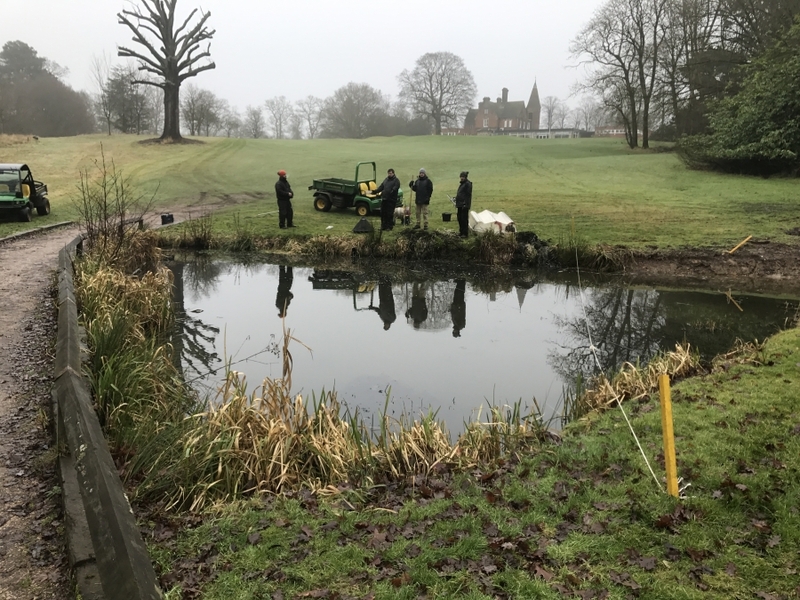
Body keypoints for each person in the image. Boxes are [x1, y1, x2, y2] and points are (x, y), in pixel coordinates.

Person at [455, 171, 472, 238]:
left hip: (464, 205)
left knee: (464, 219)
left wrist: (465, 204)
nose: (461, 178)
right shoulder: (462, 184)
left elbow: (468, 195)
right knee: (459, 218)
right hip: (459, 204)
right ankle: (461, 232)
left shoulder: (468, 184)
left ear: (465, 177)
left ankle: (465, 233)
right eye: (461, 177)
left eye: (463, 177)